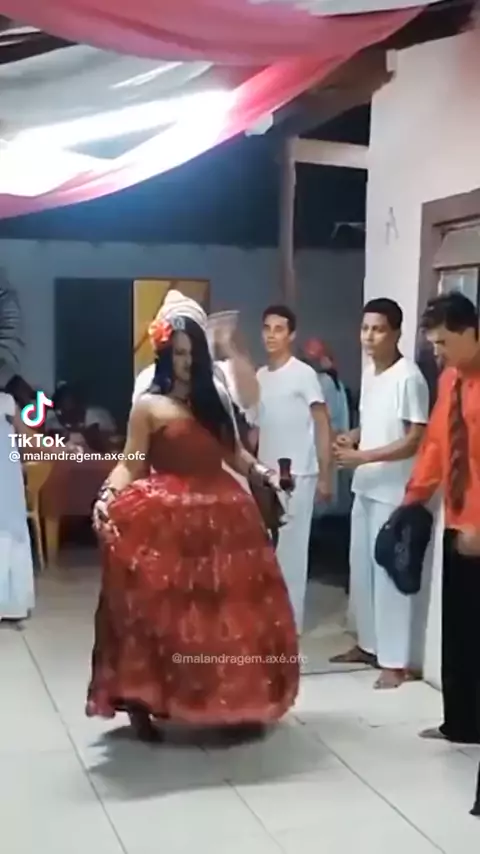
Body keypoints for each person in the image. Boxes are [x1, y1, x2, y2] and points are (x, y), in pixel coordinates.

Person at [86, 305, 299, 741]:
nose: (186, 362)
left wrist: (263, 475)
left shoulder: (212, 400)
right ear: (166, 356)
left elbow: (235, 454)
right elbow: (130, 463)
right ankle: (147, 699)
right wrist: (106, 496)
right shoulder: (148, 406)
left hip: (224, 513)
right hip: (166, 516)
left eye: (192, 353)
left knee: (228, 615)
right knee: (162, 616)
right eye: (178, 353)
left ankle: (232, 703)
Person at [333, 298, 429, 689]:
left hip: (392, 490)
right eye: (365, 328)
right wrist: (354, 436)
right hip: (366, 486)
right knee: (362, 571)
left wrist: (363, 456)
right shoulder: (372, 373)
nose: (369, 337)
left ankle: (395, 662)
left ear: (396, 333)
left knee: (389, 575)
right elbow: (376, 422)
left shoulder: (409, 377)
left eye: (378, 329)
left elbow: (415, 438)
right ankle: (369, 645)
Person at [403, 292, 480, 743]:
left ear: (471, 332)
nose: (438, 352)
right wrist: (414, 498)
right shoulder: (451, 379)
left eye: (444, 343)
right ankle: (462, 724)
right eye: (434, 344)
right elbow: (436, 444)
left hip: (478, 526)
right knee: (459, 629)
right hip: (457, 521)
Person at [242, 305, 332, 633]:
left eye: (279, 329)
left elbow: (322, 423)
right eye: (267, 328)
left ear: (291, 335)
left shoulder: (303, 374)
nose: (271, 335)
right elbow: (255, 429)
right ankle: (268, 617)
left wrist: (326, 475)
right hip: (266, 475)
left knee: (292, 553)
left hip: (298, 473)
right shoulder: (260, 377)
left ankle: (289, 625)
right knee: (267, 550)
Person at [0, 392, 35, 622]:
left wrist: (59, 449)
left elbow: (28, 438)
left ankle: (9, 604)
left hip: (6, 480)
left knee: (8, 531)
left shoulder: (5, 402)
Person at [45, 381, 117, 451]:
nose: (67, 407)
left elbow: (108, 442)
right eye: (61, 406)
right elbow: (49, 443)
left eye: (70, 403)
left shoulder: (97, 416)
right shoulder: (53, 422)